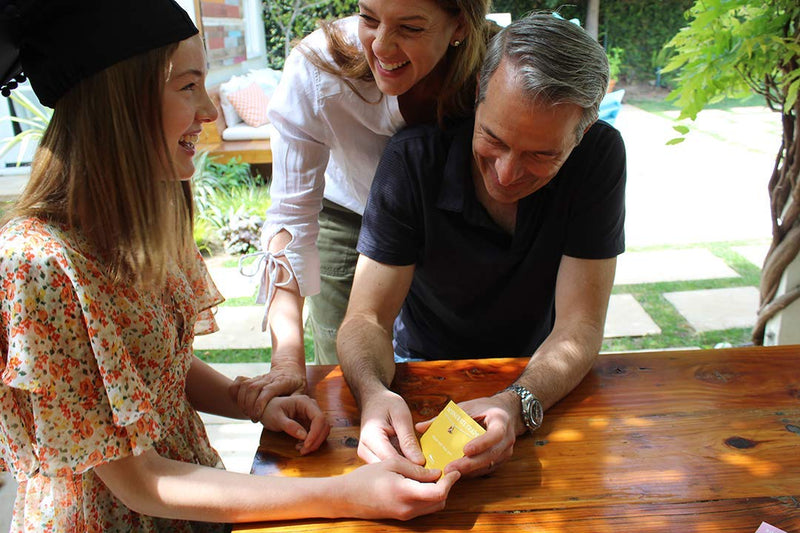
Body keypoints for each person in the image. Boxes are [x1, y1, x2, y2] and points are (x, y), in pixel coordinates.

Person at [0, 1, 459, 530]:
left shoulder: (142, 220)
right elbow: (141, 481)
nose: (210, 112)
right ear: (120, 102)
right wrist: (345, 494)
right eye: (188, 86)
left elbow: (150, 371)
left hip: (196, 498)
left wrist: (250, 402)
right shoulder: (38, 265)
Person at [337, 13, 626, 477]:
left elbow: (580, 325)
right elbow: (366, 318)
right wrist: (373, 394)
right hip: (421, 371)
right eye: (493, 137)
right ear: (477, 96)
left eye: (541, 155)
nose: (507, 175)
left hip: (541, 374)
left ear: (583, 133)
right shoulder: (412, 160)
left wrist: (518, 404)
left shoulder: (600, 157)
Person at [231, 0, 497, 418]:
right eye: (368, 18)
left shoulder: (496, 68)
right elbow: (290, 218)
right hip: (347, 215)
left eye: (410, 28)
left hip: (451, 221)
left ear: (460, 23)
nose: (383, 47)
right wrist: (286, 361)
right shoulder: (318, 70)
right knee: (346, 378)